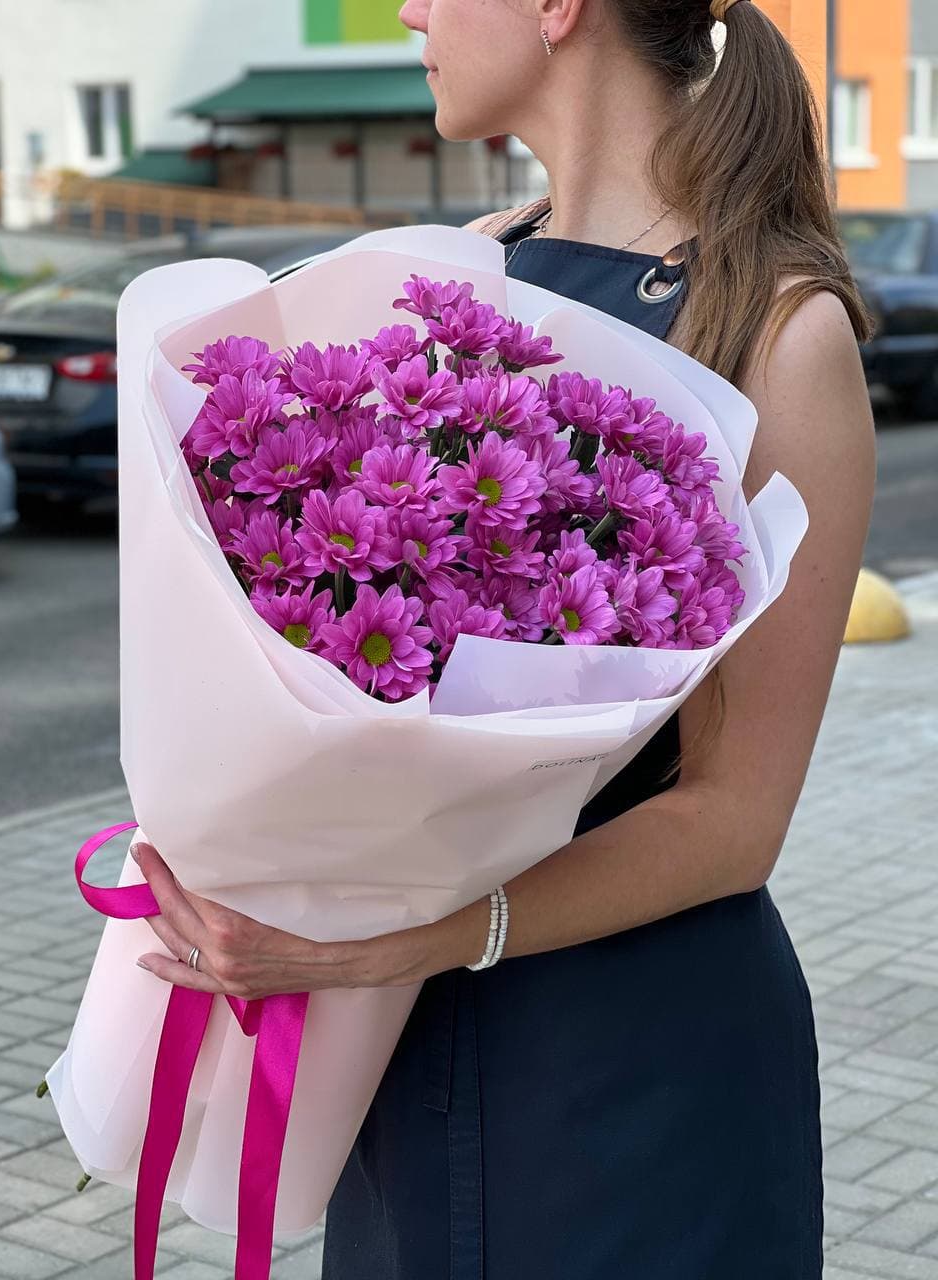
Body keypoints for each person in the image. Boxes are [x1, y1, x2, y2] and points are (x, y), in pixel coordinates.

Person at [131, 0, 877, 1274]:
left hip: (631, 1070)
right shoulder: (464, 268)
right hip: (401, 1042)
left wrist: (407, 934)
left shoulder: (780, 331)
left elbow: (734, 820)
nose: (412, 10)